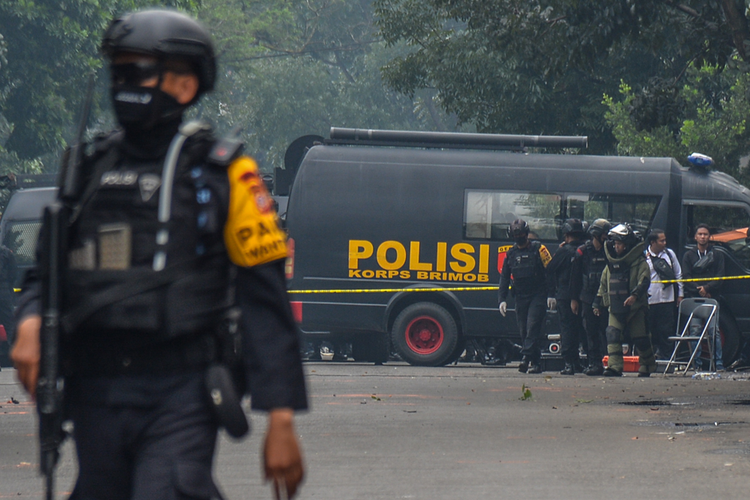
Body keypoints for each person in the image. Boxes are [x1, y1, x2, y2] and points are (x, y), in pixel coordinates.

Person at [11, 9, 307, 499]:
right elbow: (45, 275)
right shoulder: (86, 171)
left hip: (181, 391)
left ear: (185, 85)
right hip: (95, 393)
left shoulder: (224, 175)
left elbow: (265, 300)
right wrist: (28, 320)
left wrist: (280, 419)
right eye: (118, 72)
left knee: (168, 489)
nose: (124, 83)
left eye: (138, 71)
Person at [594, 223, 655, 377]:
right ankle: (614, 366)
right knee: (612, 334)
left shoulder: (640, 263)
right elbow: (603, 283)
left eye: (619, 244)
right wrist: (598, 302)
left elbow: (644, 281)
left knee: (641, 339)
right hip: (615, 307)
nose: (616, 247)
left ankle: (647, 365)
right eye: (615, 244)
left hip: (636, 309)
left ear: (627, 246)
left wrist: (634, 296)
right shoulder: (611, 264)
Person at [498, 219, 555, 374]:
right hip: (521, 296)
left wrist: (551, 295)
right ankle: (535, 363)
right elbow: (504, 277)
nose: (519, 236)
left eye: (521, 233)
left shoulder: (539, 249)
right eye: (516, 234)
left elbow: (550, 271)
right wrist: (502, 299)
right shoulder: (510, 253)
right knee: (524, 331)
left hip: (538, 295)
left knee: (533, 326)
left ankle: (525, 358)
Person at [681, 223, 725, 370]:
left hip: (712, 298)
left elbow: (720, 276)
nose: (702, 237)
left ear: (709, 236)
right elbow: (686, 277)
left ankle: (718, 364)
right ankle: (696, 364)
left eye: (705, 234)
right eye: (700, 234)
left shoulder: (717, 254)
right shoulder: (689, 255)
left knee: (714, 332)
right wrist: (698, 290)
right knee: (694, 331)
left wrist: (707, 288)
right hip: (694, 300)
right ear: (695, 236)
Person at [547, 218, 586, 375]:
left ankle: (569, 363)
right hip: (583, 295)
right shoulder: (585, 249)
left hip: (565, 295)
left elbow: (550, 269)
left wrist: (551, 293)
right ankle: (577, 362)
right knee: (579, 330)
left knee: (567, 330)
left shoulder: (564, 251)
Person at [572, 218, 610, 376]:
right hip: (587, 298)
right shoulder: (583, 251)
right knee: (590, 332)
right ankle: (594, 363)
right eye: (604, 235)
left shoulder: (609, 251)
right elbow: (574, 277)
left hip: (605, 299)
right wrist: (574, 299)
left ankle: (608, 362)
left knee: (606, 331)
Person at [644, 229, 683, 359]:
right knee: (650, 330)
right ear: (653, 242)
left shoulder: (669, 254)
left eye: (665, 240)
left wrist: (680, 294)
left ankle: (667, 358)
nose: (664, 243)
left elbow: (678, 274)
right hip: (650, 300)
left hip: (667, 300)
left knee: (665, 331)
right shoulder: (644, 256)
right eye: (662, 241)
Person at [0, 244, 17, 368]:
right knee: (10, 325)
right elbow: (13, 274)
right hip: (4, 290)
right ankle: (16, 358)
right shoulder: (7, 253)